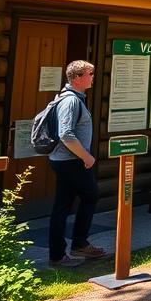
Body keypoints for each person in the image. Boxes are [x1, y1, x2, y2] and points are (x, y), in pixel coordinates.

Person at [48, 60, 105, 267]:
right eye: (90, 73)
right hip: (71, 161)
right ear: (78, 77)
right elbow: (66, 134)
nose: (93, 77)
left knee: (62, 206)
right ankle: (78, 244)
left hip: (67, 161)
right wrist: (86, 156)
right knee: (90, 195)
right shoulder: (70, 101)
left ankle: (58, 253)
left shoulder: (73, 98)